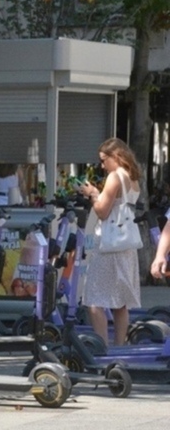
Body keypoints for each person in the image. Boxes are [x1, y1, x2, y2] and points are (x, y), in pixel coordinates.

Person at [79, 137, 141, 347]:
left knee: (94, 300)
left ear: (116, 157)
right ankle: (120, 347)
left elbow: (102, 212)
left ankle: (101, 346)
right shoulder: (132, 177)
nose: (102, 165)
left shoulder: (115, 177)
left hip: (108, 246)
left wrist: (91, 194)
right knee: (119, 302)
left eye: (104, 160)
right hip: (125, 246)